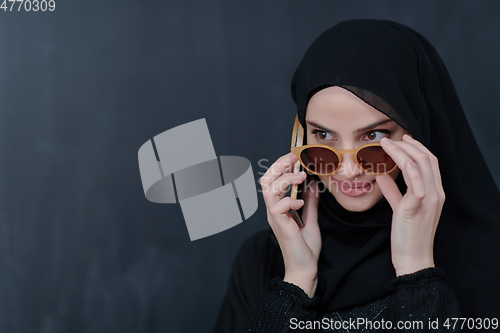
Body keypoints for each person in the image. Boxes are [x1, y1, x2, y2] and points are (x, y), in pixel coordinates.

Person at [214, 19, 500, 332]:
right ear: (300, 136)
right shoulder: (265, 259)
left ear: (418, 128)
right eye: (323, 134)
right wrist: (296, 283)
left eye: (374, 136)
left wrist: (416, 272)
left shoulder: (486, 260)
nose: (348, 170)